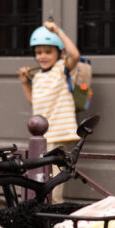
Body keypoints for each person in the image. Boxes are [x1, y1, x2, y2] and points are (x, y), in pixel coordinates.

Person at [16, 20, 82, 203]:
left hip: (58, 132)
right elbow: (34, 102)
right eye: (38, 52)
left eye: (48, 51)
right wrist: (24, 82)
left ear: (59, 53)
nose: (42, 56)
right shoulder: (37, 76)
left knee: (53, 177)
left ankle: (54, 211)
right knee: (40, 175)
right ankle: (47, 211)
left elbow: (75, 55)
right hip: (42, 135)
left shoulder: (62, 69)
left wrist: (58, 31)